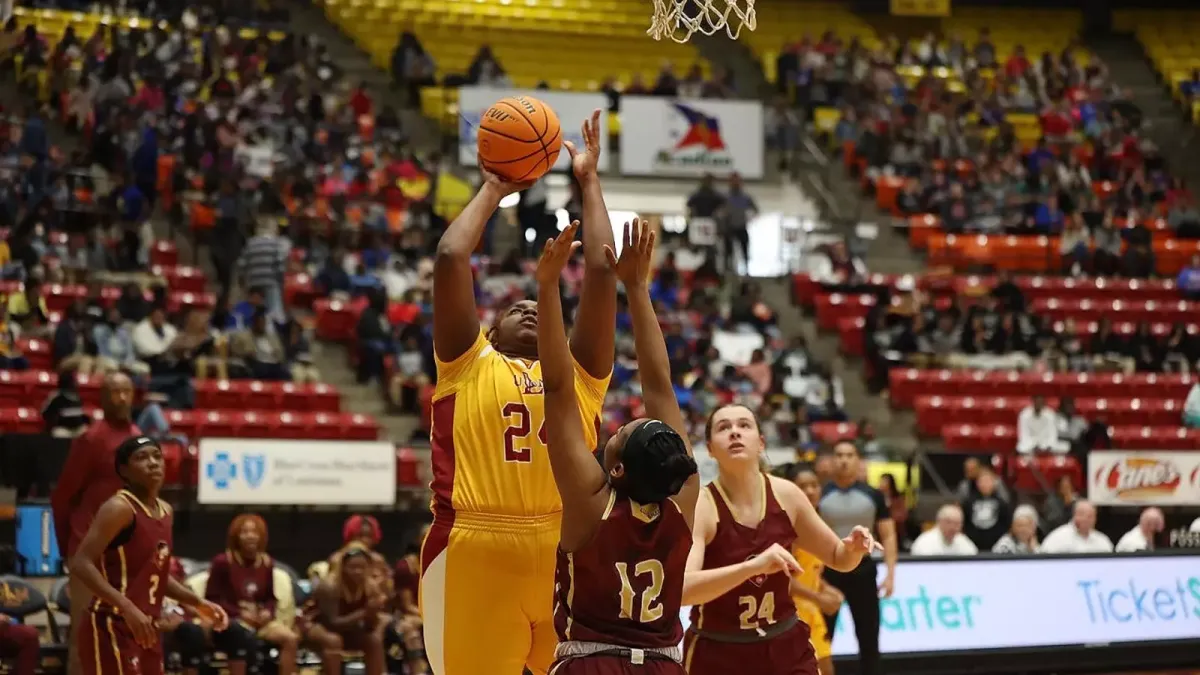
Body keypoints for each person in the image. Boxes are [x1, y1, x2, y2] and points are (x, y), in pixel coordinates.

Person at [422, 110, 618, 675]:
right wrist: (494, 188)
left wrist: (589, 181)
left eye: (537, 305)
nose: (530, 308)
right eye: (515, 308)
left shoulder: (580, 374)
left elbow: (603, 271)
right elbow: (450, 258)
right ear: (487, 332)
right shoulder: (466, 363)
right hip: (474, 543)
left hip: (566, 545)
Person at [536, 219, 700, 674]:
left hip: (593, 663)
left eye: (622, 430)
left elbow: (558, 388)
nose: (620, 425)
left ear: (618, 468)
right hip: (663, 666)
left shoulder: (592, 504)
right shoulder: (683, 500)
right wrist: (637, 288)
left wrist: (547, 288)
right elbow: (661, 386)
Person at [682, 409, 878, 675]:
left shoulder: (787, 495)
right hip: (719, 649)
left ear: (761, 442)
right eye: (723, 427)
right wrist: (752, 567)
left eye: (744, 425)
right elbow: (683, 590)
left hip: (784, 644)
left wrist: (853, 549)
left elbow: (838, 557)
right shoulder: (703, 506)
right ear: (710, 449)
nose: (735, 432)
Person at [68, 436, 228, 675]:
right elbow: (81, 563)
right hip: (111, 624)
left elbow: (158, 575)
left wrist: (197, 602)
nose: (153, 463)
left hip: (147, 627)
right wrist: (127, 607)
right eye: (142, 458)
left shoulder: (166, 511)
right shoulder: (119, 508)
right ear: (124, 470)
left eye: (157, 456)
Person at [50, 372, 140, 675]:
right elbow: (62, 497)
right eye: (115, 392)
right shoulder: (91, 439)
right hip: (89, 553)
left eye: (127, 391)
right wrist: (67, 549)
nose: (122, 398)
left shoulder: (138, 436)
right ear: (102, 398)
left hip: (126, 554)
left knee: (123, 636)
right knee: (85, 638)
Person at [816, 441, 898, 675]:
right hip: (828, 573)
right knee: (822, 639)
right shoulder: (820, 494)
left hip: (863, 572)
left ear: (858, 460)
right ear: (832, 460)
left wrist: (891, 575)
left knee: (868, 637)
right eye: (839, 455)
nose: (844, 460)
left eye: (849, 455)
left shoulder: (873, 495)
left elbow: (888, 535)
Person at [204, 514, 299, 675]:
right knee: (241, 635)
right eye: (245, 532)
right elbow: (212, 599)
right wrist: (239, 614)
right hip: (232, 622)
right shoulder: (223, 562)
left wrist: (267, 612)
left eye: (255, 532)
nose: (250, 536)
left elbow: (270, 597)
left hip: (259, 621)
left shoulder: (267, 562)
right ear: (236, 536)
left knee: (290, 638)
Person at [789, 465, 844, 675]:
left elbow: (806, 571)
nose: (810, 491)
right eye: (803, 486)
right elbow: (779, 580)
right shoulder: (788, 528)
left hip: (811, 610)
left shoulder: (816, 523)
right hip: (789, 614)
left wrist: (825, 588)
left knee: (827, 669)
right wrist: (818, 598)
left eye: (814, 485)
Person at [306, 548, 389, 675]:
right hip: (317, 625)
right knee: (333, 640)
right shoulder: (330, 586)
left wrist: (373, 613)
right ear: (343, 567)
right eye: (352, 567)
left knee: (373, 640)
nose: (358, 571)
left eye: (362, 567)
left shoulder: (370, 587)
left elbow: (370, 626)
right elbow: (332, 623)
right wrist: (364, 612)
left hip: (349, 628)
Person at [1040, 501, 1113, 554]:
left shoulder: (1102, 540)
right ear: (1076, 516)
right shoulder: (1057, 538)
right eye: (1087, 516)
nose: (1089, 520)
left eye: (1092, 516)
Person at [909, 504, 978, 556]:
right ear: (939, 522)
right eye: (948, 522)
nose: (953, 527)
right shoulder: (925, 542)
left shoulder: (964, 541)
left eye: (957, 523)